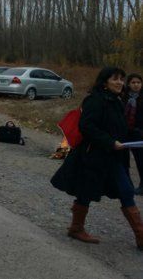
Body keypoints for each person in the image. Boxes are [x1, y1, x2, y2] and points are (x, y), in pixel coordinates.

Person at [51, 67, 143, 249]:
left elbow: (120, 128)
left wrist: (137, 135)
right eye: (115, 79)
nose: (120, 82)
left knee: (125, 191)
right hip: (93, 156)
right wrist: (110, 142)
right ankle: (76, 228)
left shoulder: (117, 101)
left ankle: (140, 236)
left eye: (121, 79)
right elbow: (87, 127)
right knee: (86, 191)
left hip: (114, 157)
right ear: (104, 82)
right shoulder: (95, 100)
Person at [123, 73, 143, 195]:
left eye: (138, 82)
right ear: (129, 84)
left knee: (141, 161)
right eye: (133, 82)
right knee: (125, 160)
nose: (136, 85)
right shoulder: (124, 97)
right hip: (126, 133)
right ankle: (126, 184)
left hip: (140, 134)